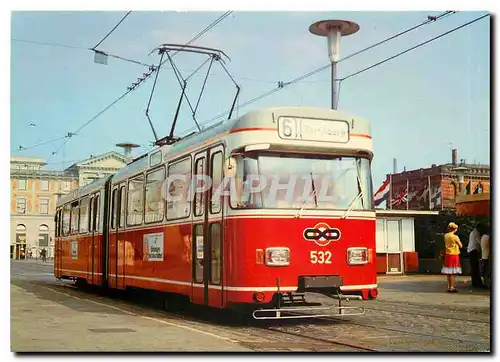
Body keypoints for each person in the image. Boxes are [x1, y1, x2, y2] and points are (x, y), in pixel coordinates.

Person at [441, 222, 463, 292]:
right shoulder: (455, 237)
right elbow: (461, 245)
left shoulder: (446, 235)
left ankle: (449, 286)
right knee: (453, 272)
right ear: (455, 229)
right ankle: (452, 287)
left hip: (448, 254)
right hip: (454, 254)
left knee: (448, 272)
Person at [467, 223, 484, 288]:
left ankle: (475, 281)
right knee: (475, 267)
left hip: (471, 250)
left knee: (474, 267)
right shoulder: (476, 233)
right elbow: (479, 241)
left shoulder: (472, 232)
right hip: (474, 250)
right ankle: (476, 282)